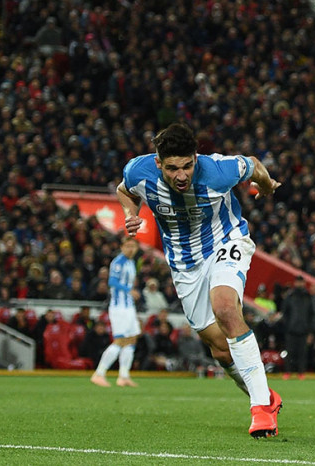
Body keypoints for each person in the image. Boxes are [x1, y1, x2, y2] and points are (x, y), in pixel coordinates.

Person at [116, 122, 283, 437]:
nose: (181, 175)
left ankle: (261, 409)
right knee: (220, 349)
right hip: (184, 265)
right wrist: (130, 212)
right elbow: (124, 191)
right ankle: (265, 395)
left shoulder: (217, 170)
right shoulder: (139, 172)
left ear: (197, 158)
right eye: (172, 168)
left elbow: (254, 165)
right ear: (157, 163)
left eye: (188, 166)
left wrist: (267, 185)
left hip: (226, 241)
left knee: (225, 308)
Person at [91, 238, 142, 388]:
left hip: (129, 306)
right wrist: (129, 290)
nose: (131, 249)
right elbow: (112, 282)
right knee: (120, 340)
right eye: (128, 246)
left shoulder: (131, 262)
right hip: (119, 307)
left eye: (133, 246)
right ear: (122, 247)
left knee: (132, 339)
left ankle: (124, 376)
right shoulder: (118, 262)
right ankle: (99, 373)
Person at [279, 275, 314, 378]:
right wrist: (287, 326)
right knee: (290, 352)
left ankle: (301, 373)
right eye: (298, 282)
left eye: (301, 282)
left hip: (304, 330)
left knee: (302, 353)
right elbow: (285, 313)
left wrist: (310, 331)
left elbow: (310, 315)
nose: (300, 284)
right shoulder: (290, 297)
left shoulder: (308, 297)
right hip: (291, 329)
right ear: (295, 283)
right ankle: (288, 372)